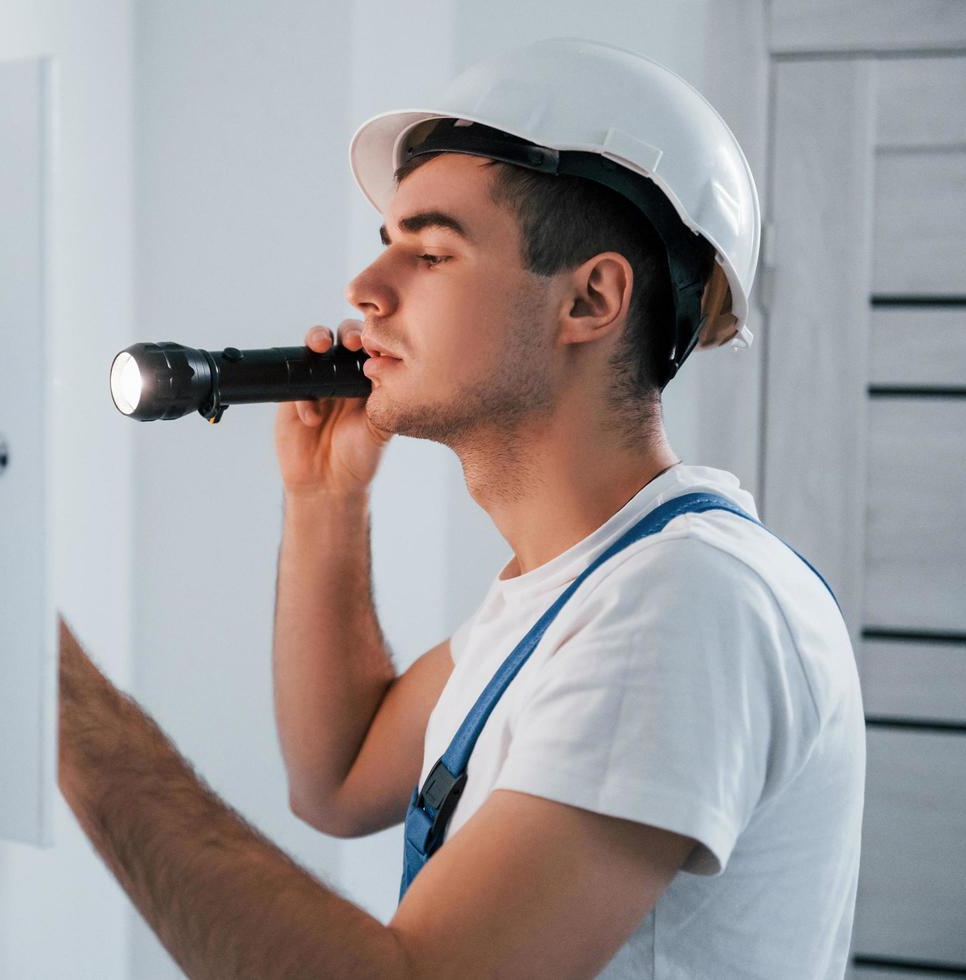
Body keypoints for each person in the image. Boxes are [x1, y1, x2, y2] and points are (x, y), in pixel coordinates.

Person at [57, 38, 864, 978]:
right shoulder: (577, 590)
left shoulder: (685, 606)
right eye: (386, 246)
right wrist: (327, 495)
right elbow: (340, 777)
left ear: (592, 299)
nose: (365, 292)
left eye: (431, 251)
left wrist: (58, 695)